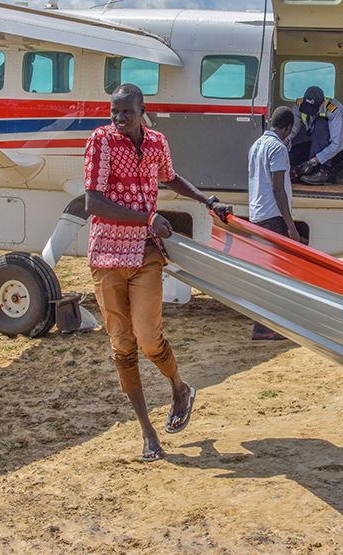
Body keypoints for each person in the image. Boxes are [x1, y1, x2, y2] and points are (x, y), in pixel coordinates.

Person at [84, 83, 232, 462]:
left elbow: (170, 177)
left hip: (145, 254)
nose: (118, 119)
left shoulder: (156, 143)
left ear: (141, 110)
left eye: (126, 113)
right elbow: (94, 203)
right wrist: (147, 217)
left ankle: (179, 389)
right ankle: (148, 432)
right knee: (122, 346)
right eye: (114, 112)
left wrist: (206, 200)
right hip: (106, 256)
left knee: (149, 339)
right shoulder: (100, 142)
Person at [247, 105, 300, 340]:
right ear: (288, 127)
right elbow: (278, 189)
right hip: (272, 217)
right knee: (274, 274)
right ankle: (263, 328)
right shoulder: (278, 148)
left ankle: (264, 325)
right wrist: (290, 224)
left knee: (263, 272)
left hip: (257, 215)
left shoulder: (256, 145)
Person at [286, 85, 343, 185]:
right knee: (292, 154)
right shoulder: (299, 105)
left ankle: (323, 172)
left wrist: (312, 162)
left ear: (322, 103)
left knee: (321, 122)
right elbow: (293, 129)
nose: (309, 112)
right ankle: (333, 166)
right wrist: (285, 141)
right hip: (324, 142)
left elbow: (337, 145)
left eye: (313, 109)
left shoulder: (334, 110)